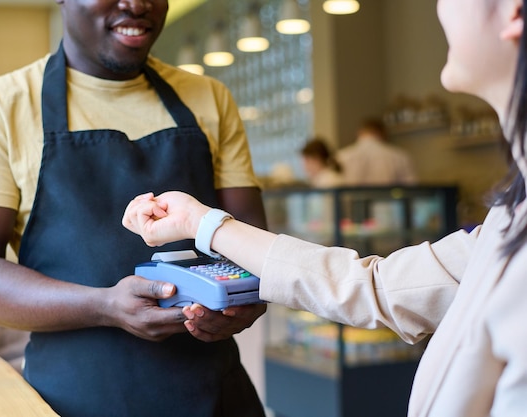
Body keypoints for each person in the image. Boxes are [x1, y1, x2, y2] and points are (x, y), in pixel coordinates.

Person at [122, 0, 527, 415]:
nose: (441, 9)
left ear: (513, 12)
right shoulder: (509, 220)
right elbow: (375, 288)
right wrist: (200, 221)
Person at [0, 1, 268, 416]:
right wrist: (105, 306)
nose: (137, 3)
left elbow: (257, 250)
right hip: (73, 399)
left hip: (214, 395)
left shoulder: (209, 98)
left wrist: (243, 301)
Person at [336, 117, 417, 186]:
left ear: (359, 133)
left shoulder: (341, 156)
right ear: (383, 133)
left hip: (349, 203)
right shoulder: (400, 156)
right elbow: (410, 186)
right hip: (387, 202)